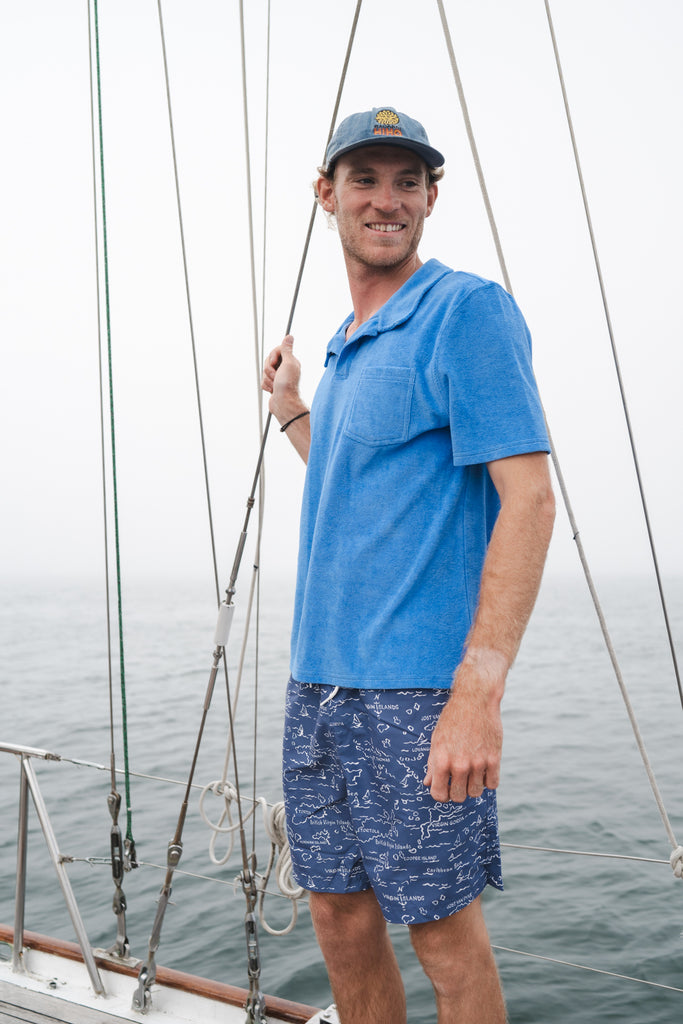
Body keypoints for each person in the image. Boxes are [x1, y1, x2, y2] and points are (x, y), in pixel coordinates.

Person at [262, 106, 555, 1024]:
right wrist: (290, 408)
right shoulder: (349, 342)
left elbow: (529, 499)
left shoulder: (464, 311)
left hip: (416, 697)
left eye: (406, 181)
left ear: (431, 197)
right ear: (327, 194)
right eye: (365, 179)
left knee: (441, 936)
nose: (386, 200)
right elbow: (355, 480)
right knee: (339, 918)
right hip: (317, 688)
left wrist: (478, 694)